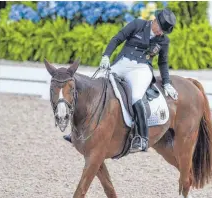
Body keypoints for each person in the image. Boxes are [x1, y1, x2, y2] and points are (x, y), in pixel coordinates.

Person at [63, 8, 178, 153]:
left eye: (163, 32)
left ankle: (141, 137)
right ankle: (75, 132)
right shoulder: (138, 24)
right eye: (160, 29)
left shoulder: (163, 41)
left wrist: (167, 83)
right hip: (122, 63)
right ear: (155, 21)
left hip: (141, 69)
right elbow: (117, 38)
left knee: (136, 96)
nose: (160, 33)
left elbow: (163, 62)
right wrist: (106, 56)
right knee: (97, 86)